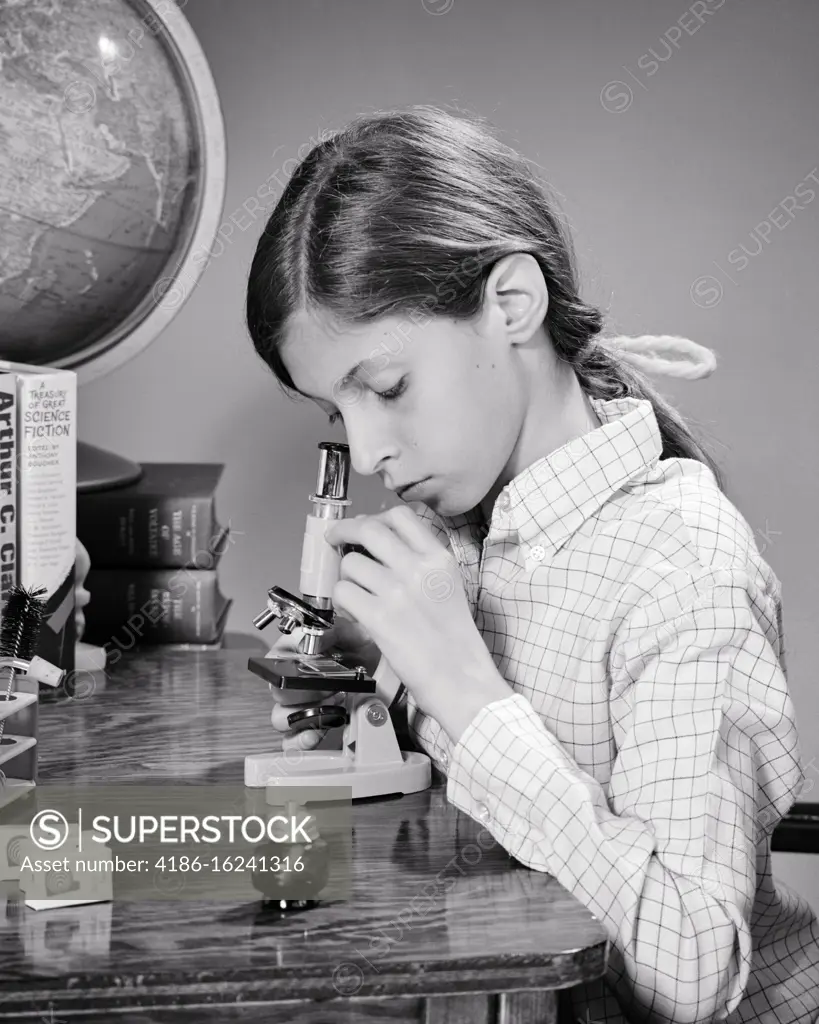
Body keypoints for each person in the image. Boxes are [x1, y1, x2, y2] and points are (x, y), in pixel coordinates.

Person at [244, 105, 819, 1024]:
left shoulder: (680, 562)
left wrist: (467, 693)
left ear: (511, 303)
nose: (368, 451)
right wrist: (376, 704)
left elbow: (691, 976)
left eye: (387, 388)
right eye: (336, 414)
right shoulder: (469, 528)